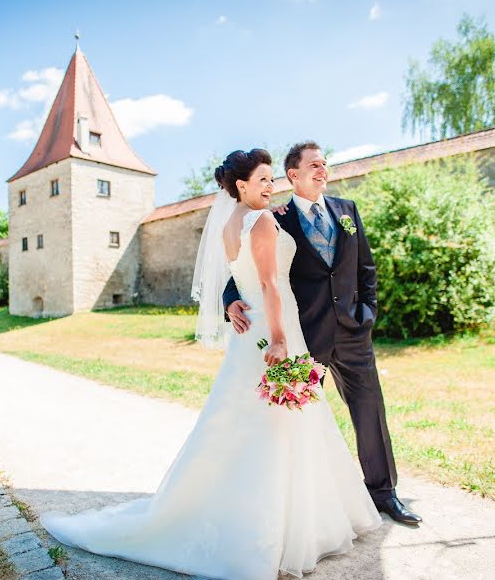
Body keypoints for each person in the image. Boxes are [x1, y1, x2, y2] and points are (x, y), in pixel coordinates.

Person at [41, 148, 381, 579]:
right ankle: (283, 526)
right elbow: (267, 284)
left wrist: (237, 306)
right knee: (280, 421)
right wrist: (278, 339)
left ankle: (274, 512)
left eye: (269, 179)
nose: (269, 185)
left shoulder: (230, 221)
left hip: (251, 333)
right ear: (241, 186)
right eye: (261, 180)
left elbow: (233, 280)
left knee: (250, 420)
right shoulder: (260, 221)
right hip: (275, 330)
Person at [223, 141, 422, 526]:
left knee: (370, 412)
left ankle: (384, 494)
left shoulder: (348, 210)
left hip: (353, 331)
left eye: (325, 164)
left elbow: (366, 267)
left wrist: (367, 313)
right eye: (314, 164)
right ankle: (314, 504)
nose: (323, 169)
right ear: (293, 175)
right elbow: (249, 267)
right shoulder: (276, 216)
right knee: (302, 420)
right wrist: (230, 299)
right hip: (306, 336)